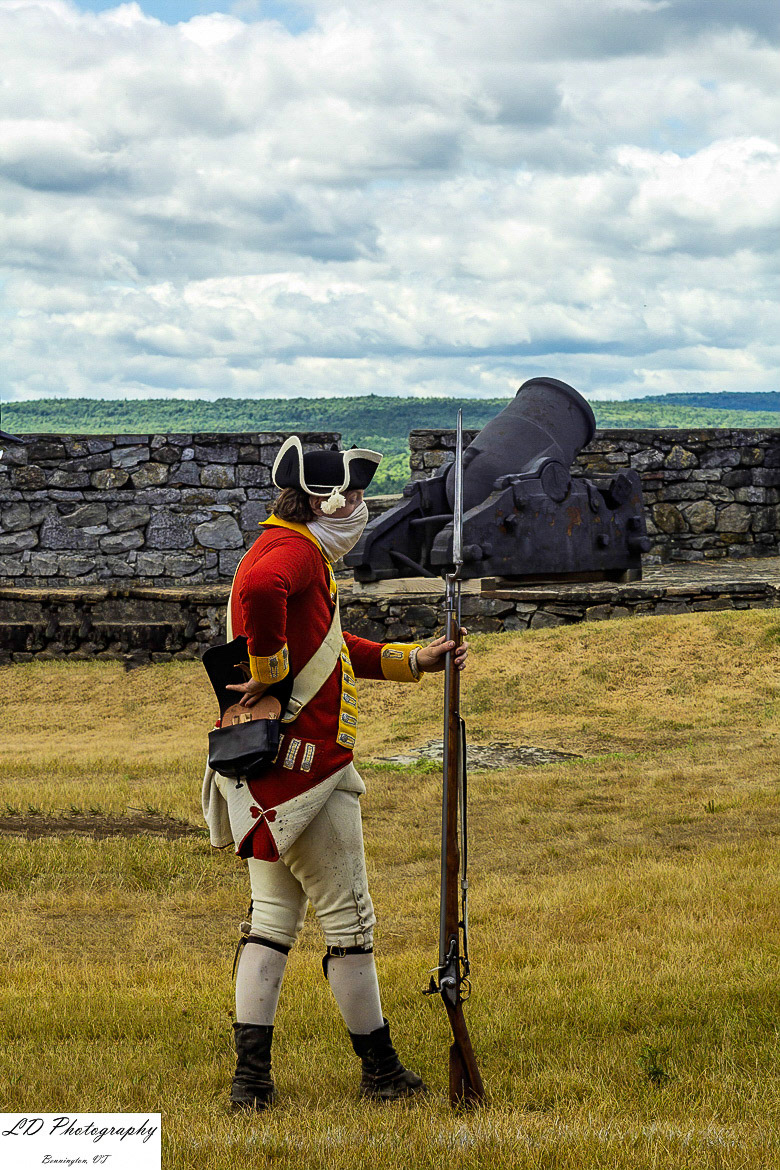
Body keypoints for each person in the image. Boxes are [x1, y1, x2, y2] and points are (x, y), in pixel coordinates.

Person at [201, 437, 468, 1111]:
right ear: (321, 501)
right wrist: (264, 673)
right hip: (308, 774)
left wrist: (413, 659)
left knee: (270, 923)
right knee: (350, 922)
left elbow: (327, 647)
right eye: (348, 496)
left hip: (264, 776)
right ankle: (379, 1072)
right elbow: (265, 598)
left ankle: (251, 1084)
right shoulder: (290, 553)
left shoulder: (289, 547)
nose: (357, 507)